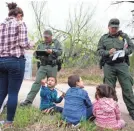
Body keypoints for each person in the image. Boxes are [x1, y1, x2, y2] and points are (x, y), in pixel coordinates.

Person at [0, 2, 34, 126]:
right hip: (15, 61)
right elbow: (23, 43)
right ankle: (9, 121)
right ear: (19, 15)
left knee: (1, 91)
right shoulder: (20, 23)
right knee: (13, 92)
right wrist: (31, 43)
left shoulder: (1, 25)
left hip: (1, 61)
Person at [97, 18, 134, 120]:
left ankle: (132, 111)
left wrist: (124, 52)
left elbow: (131, 48)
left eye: (116, 27)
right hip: (109, 65)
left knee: (127, 88)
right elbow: (99, 50)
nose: (114, 29)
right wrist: (108, 52)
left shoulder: (124, 36)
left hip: (122, 65)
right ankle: (111, 110)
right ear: (108, 27)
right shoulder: (104, 38)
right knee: (108, 89)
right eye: (112, 27)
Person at [20, 30, 62, 106]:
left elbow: (60, 52)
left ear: (51, 36)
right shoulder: (41, 44)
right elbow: (36, 54)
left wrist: (52, 51)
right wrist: (36, 54)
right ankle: (28, 101)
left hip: (53, 66)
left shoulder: (56, 43)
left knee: (51, 84)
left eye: (47, 37)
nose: (46, 39)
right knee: (37, 83)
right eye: (45, 37)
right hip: (43, 66)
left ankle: (50, 103)